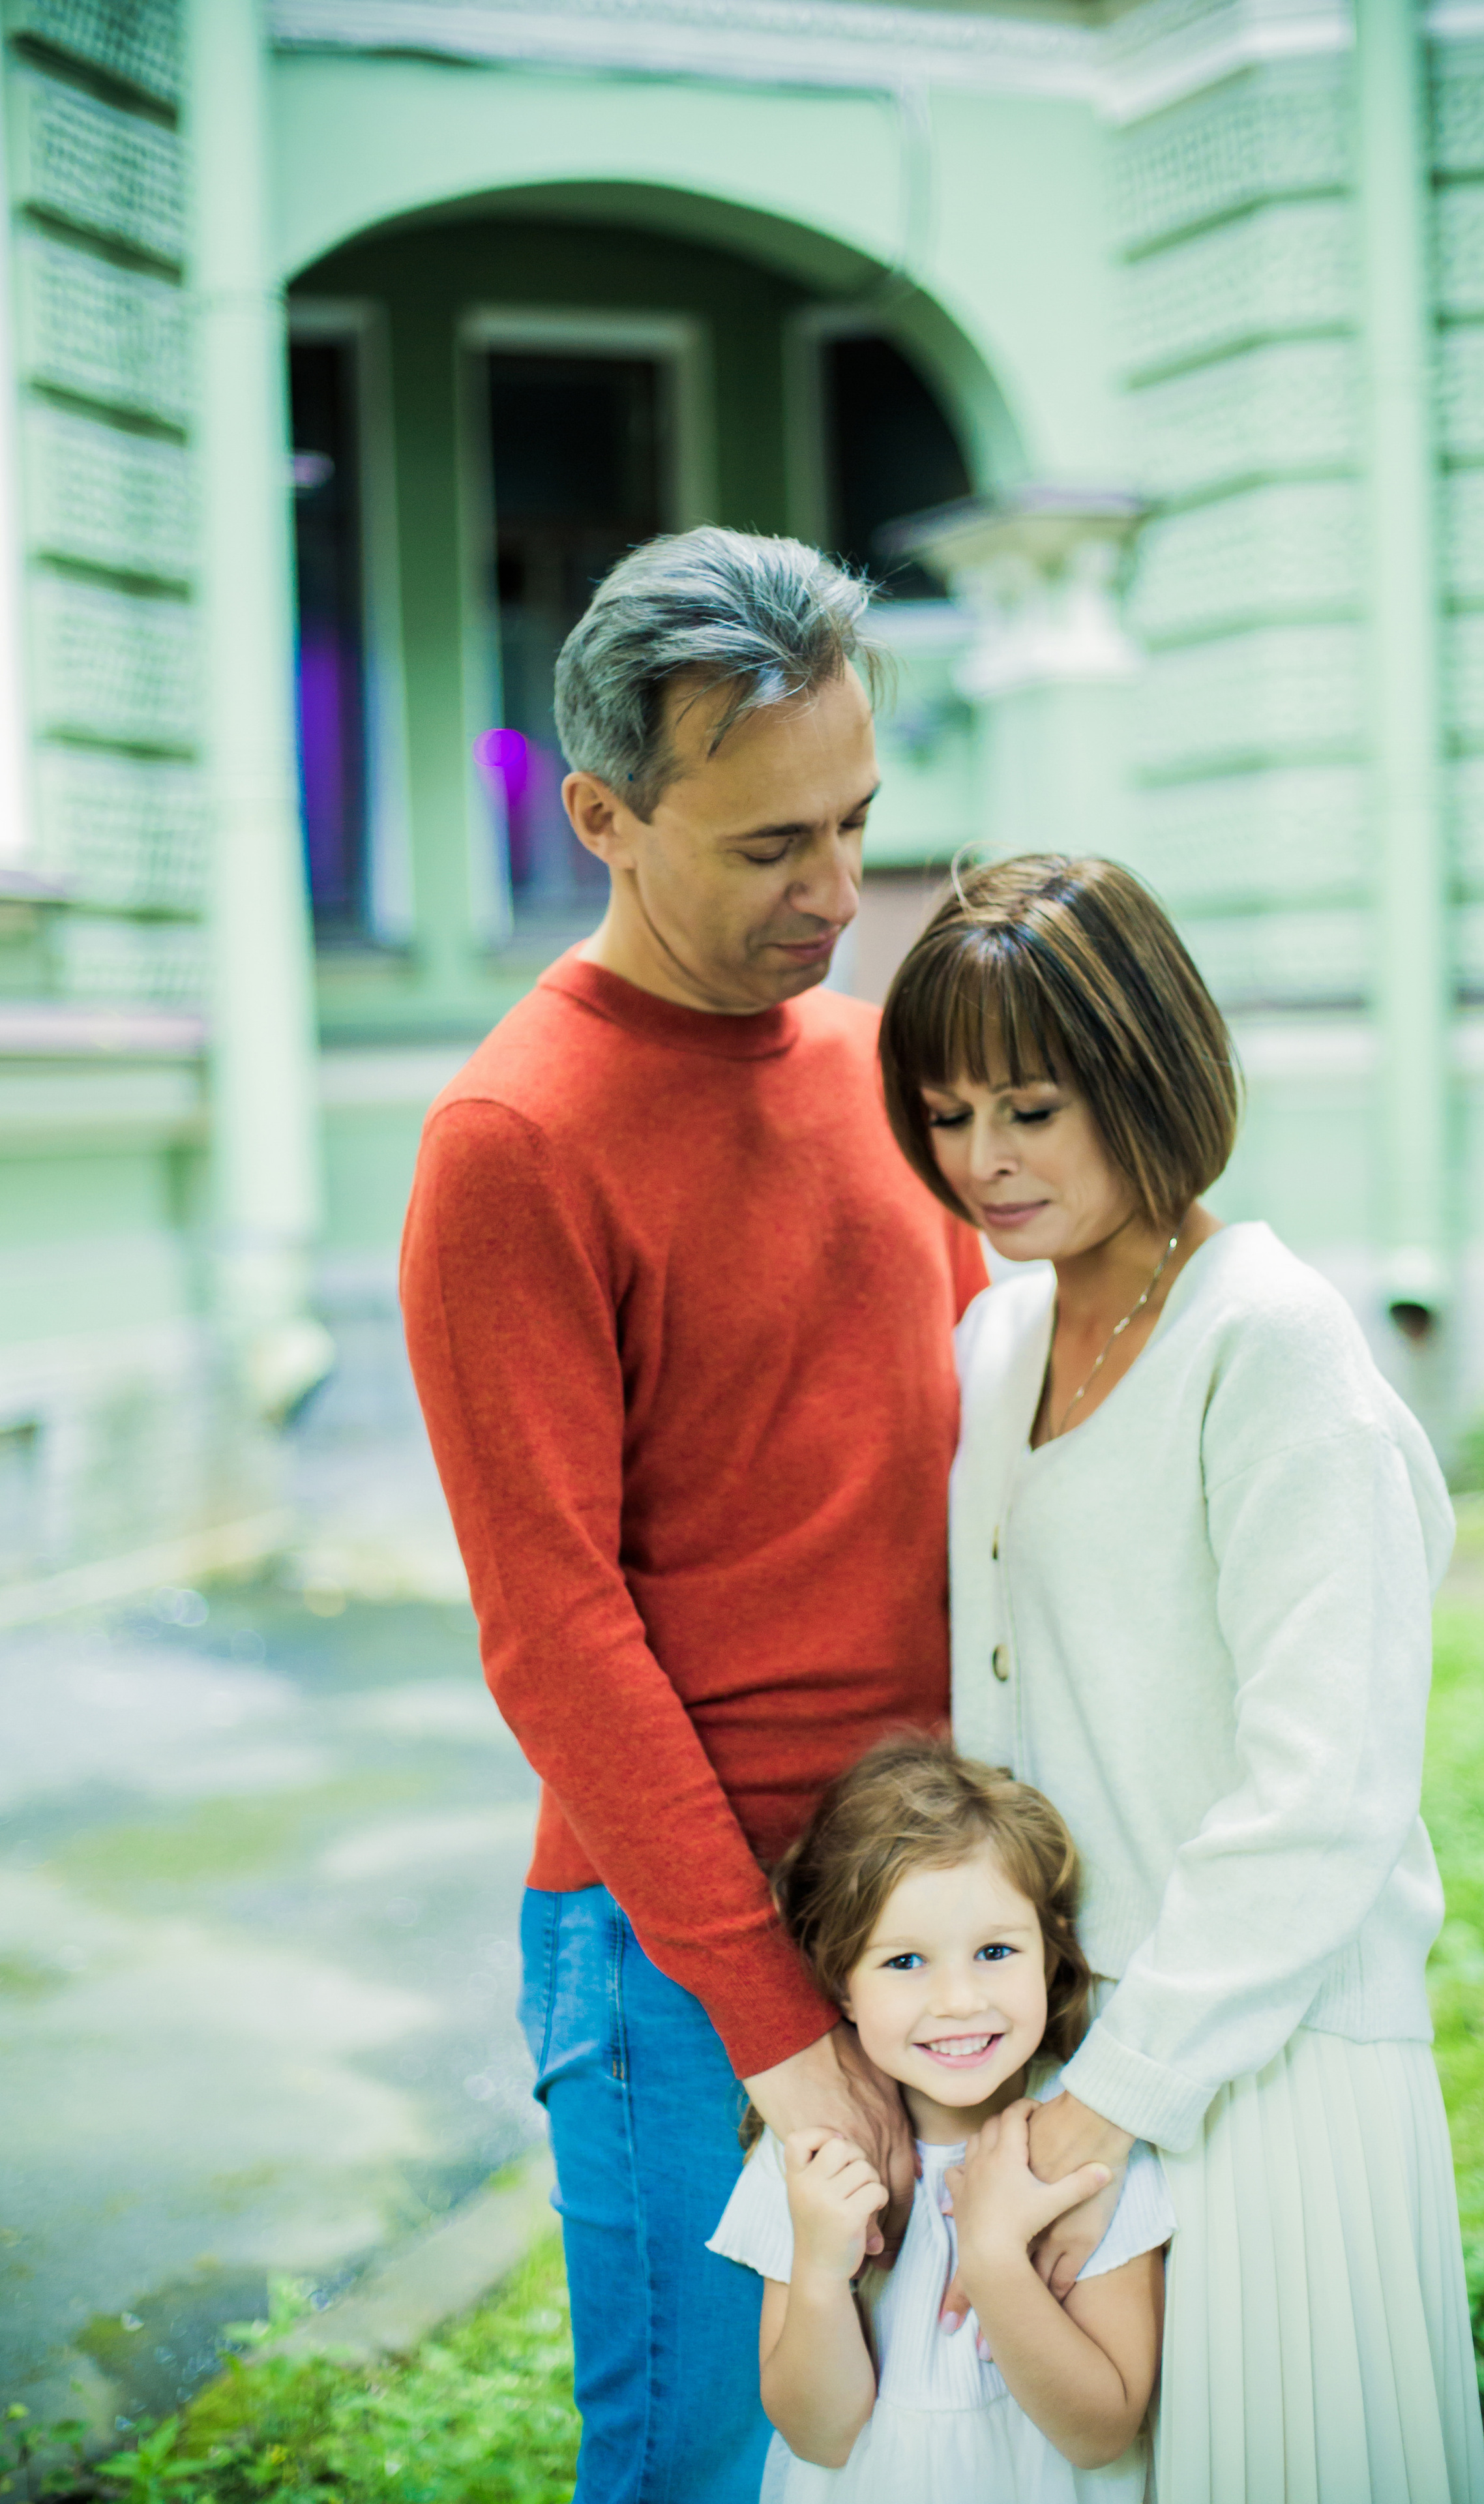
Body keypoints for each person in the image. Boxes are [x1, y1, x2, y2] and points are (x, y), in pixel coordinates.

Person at [400, 529, 987, 2504]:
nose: (835, 892)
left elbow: (974, 1426)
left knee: (918, 2431)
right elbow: (551, 1628)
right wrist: (774, 2025)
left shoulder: (866, 1056)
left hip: (941, 1896)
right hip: (679, 1945)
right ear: (603, 816)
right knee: (690, 2464)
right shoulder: (513, 1140)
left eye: (856, 821)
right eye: (767, 847)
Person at [878, 855, 1484, 2503]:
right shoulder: (995, 1345)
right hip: (1070, 2045)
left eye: (1027, 1104)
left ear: (1142, 1070)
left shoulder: (1267, 1340)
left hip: (1262, 2059)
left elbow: (1324, 1793)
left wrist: (1116, 2105)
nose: (983, 1161)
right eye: (944, 1114)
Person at [709, 1736, 1174, 2501]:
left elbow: (1099, 2432)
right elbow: (818, 2434)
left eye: (995, 1950)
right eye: (903, 1962)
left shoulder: (1089, 2149)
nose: (958, 2000)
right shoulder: (818, 2156)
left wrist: (993, 2257)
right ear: (842, 1986)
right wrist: (823, 2275)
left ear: (1050, 1955)